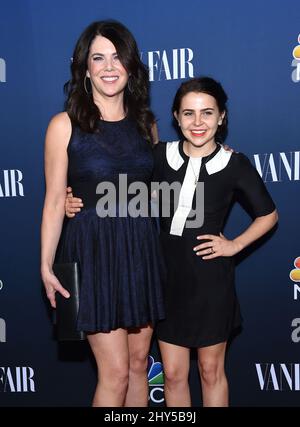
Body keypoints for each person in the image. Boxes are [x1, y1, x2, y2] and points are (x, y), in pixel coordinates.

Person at [66, 76, 278, 407]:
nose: (198, 122)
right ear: (176, 118)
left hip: (211, 281)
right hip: (164, 278)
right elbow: (120, 188)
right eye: (188, 113)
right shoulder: (159, 157)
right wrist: (74, 199)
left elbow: (269, 215)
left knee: (211, 371)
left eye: (207, 113)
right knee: (174, 375)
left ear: (222, 117)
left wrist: (234, 245)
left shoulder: (234, 163)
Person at [41, 20, 165, 407]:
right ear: (84, 67)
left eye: (117, 57)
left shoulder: (147, 125)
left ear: (131, 66)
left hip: (140, 251)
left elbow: (156, 189)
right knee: (112, 373)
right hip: (93, 253)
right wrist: (46, 266)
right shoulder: (64, 125)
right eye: (99, 58)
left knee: (138, 364)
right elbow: (54, 201)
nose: (109, 67)